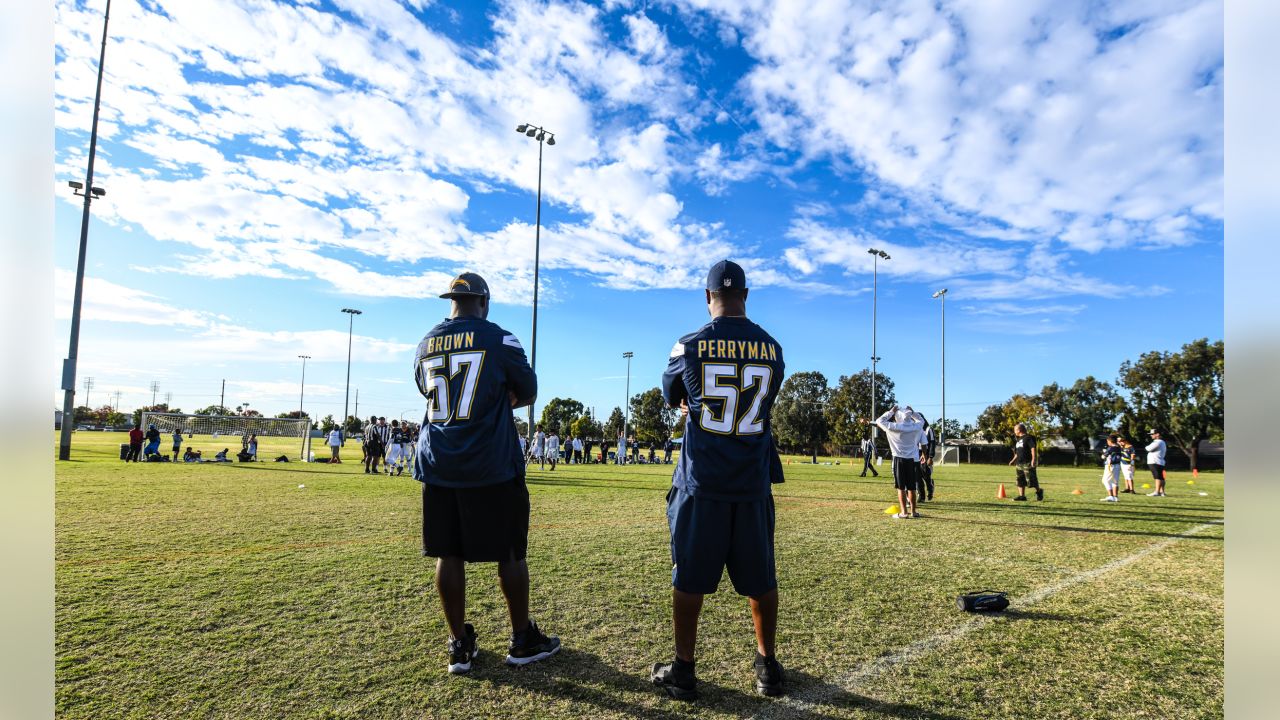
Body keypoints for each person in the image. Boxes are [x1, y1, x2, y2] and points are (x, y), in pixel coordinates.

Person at [651, 259, 787, 701]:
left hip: (702, 481)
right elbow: (763, 405)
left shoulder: (688, 345)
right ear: (745, 295)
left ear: (708, 296)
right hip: (750, 482)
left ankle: (684, 668)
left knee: (689, 578)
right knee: (761, 579)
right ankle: (767, 665)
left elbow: (672, 394)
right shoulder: (773, 347)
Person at [413, 272, 559, 675]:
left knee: (449, 553)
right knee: (510, 551)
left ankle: (459, 644)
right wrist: (501, 393)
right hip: (490, 460)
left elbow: (427, 391)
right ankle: (521, 639)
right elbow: (527, 389)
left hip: (440, 459)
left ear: (451, 302)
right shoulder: (500, 338)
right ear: (485, 302)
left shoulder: (426, 343)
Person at [873, 406, 924, 519]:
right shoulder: (915, 427)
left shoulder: (893, 426)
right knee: (912, 488)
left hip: (898, 459)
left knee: (901, 487)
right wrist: (914, 412)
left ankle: (904, 513)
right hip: (911, 459)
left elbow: (879, 421)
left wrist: (891, 411)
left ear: (897, 417)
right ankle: (914, 512)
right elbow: (921, 420)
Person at [1008, 423, 1043, 501]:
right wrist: (1013, 460)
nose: (1014, 432)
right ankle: (1022, 496)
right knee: (1019, 480)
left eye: (1015, 430)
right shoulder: (1018, 440)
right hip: (1019, 463)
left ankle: (1039, 491)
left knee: (1031, 480)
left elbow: (1033, 449)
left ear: (1019, 430)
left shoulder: (1029, 438)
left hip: (1027, 462)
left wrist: (1034, 459)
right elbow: (1017, 453)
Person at [1145, 429, 1168, 496]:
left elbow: (1148, 448)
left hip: (1155, 461)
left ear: (1157, 434)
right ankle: (1162, 492)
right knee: (1161, 477)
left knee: (1157, 477)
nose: (1151, 436)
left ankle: (1157, 492)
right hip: (1159, 461)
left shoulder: (1157, 442)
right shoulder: (1162, 442)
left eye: (1152, 434)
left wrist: (1146, 446)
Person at [1100, 434, 1122, 502]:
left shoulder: (1110, 448)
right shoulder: (1119, 447)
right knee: (1115, 481)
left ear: (1109, 441)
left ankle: (1111, 496)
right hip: (1118, 465)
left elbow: (1103, 456)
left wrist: (1103, 453)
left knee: (1105, 480)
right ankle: (1115, 497)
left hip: (1110, 466)